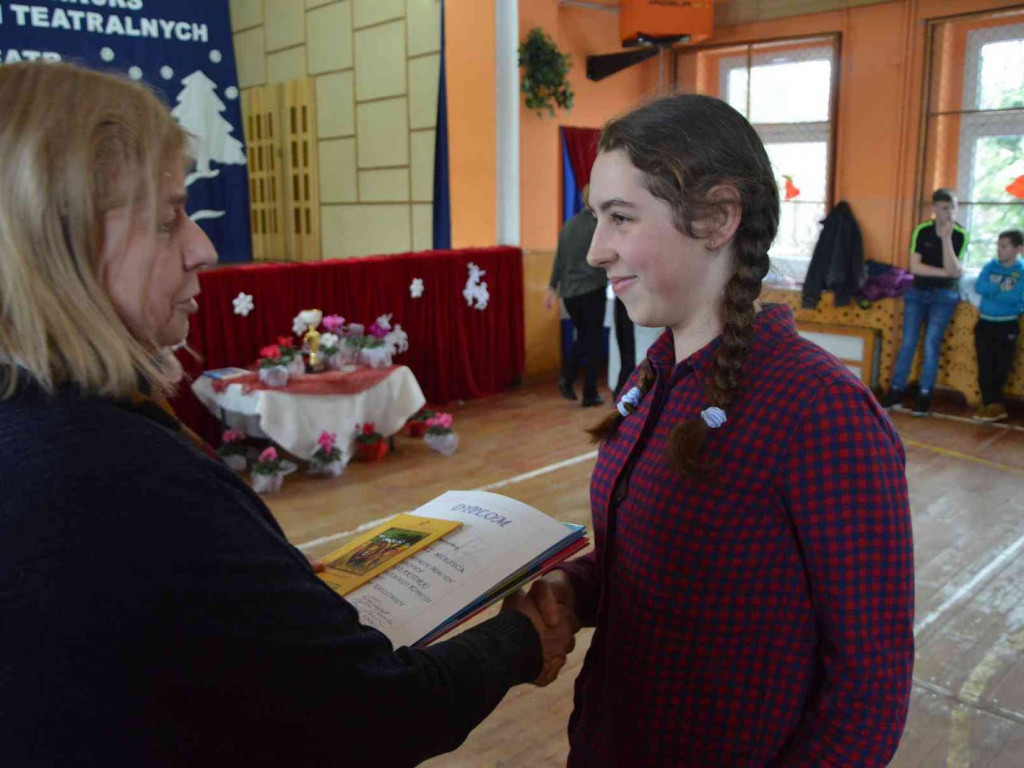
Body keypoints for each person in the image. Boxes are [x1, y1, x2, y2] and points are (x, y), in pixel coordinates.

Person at [0, 62, 574, 766]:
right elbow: (375, 715)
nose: (202, 247)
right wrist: (516, 638)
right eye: (166, 218)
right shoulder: (116, 471)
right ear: (59, 244)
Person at [534, 94, 914, 766]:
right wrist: (576, 586)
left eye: (621, 217)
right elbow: (673, 573)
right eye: (598, 218)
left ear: (716, 217)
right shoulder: (654, 378)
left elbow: (870, 686)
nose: (596, 251)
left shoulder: (820, 413)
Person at [880, 188, 969, 416]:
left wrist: (946, 239)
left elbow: (955, 267)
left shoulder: (960, 234)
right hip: (918, 292)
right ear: (935, 209)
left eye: (952, 208)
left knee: (931, 343)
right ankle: (896, 390)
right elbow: (916, 267)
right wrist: (948, 272)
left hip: (944, 296)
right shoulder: (921, 230)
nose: (949, 213)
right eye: (944, 208)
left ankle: (925, 394)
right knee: (908, 341)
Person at [545, 186, 608, 407]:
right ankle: (588, 392)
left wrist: (552, 288)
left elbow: (559, 260)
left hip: (569, 294)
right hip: (591, 290)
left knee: (584, 338)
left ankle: (568, 377)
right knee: (592, 343)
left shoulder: (568, 226)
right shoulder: (598, 227)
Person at [972, 229, 1024, 422]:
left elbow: (1016, 297)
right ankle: (989, 404)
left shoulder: (1021, 272)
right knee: (984, 365)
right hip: (985, 323)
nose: (999, 250)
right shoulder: (990, 266)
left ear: (1018, 249)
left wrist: (993, 291)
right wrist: (999, 288)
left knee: (1000, 366)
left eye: (1004, 246)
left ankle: (995, 405)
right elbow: (979, 286)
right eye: (998, 246)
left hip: (1006, 325)